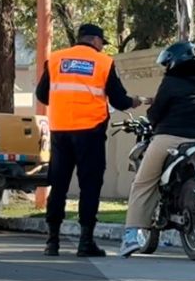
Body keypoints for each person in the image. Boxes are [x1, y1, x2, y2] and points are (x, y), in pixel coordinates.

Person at [35, 23, 144, 257]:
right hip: (90, 133)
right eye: (101, 43)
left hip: (60, 132)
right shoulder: (103, 63)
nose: (101, 47)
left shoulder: (55, 59)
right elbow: (120, 100)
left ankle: (52, 241)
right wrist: (135, 101)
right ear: (95, 40)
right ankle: (86, 242)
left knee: (59, 186)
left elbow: (42, 95)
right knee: (90, 186)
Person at [118, 41, 195, 257]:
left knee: (143, 183)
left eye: (168, 63)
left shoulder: (171, 81)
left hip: (169, 139)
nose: (167, 67)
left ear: (176, 61)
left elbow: (155, 114)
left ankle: (131, 236)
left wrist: (152, 114)